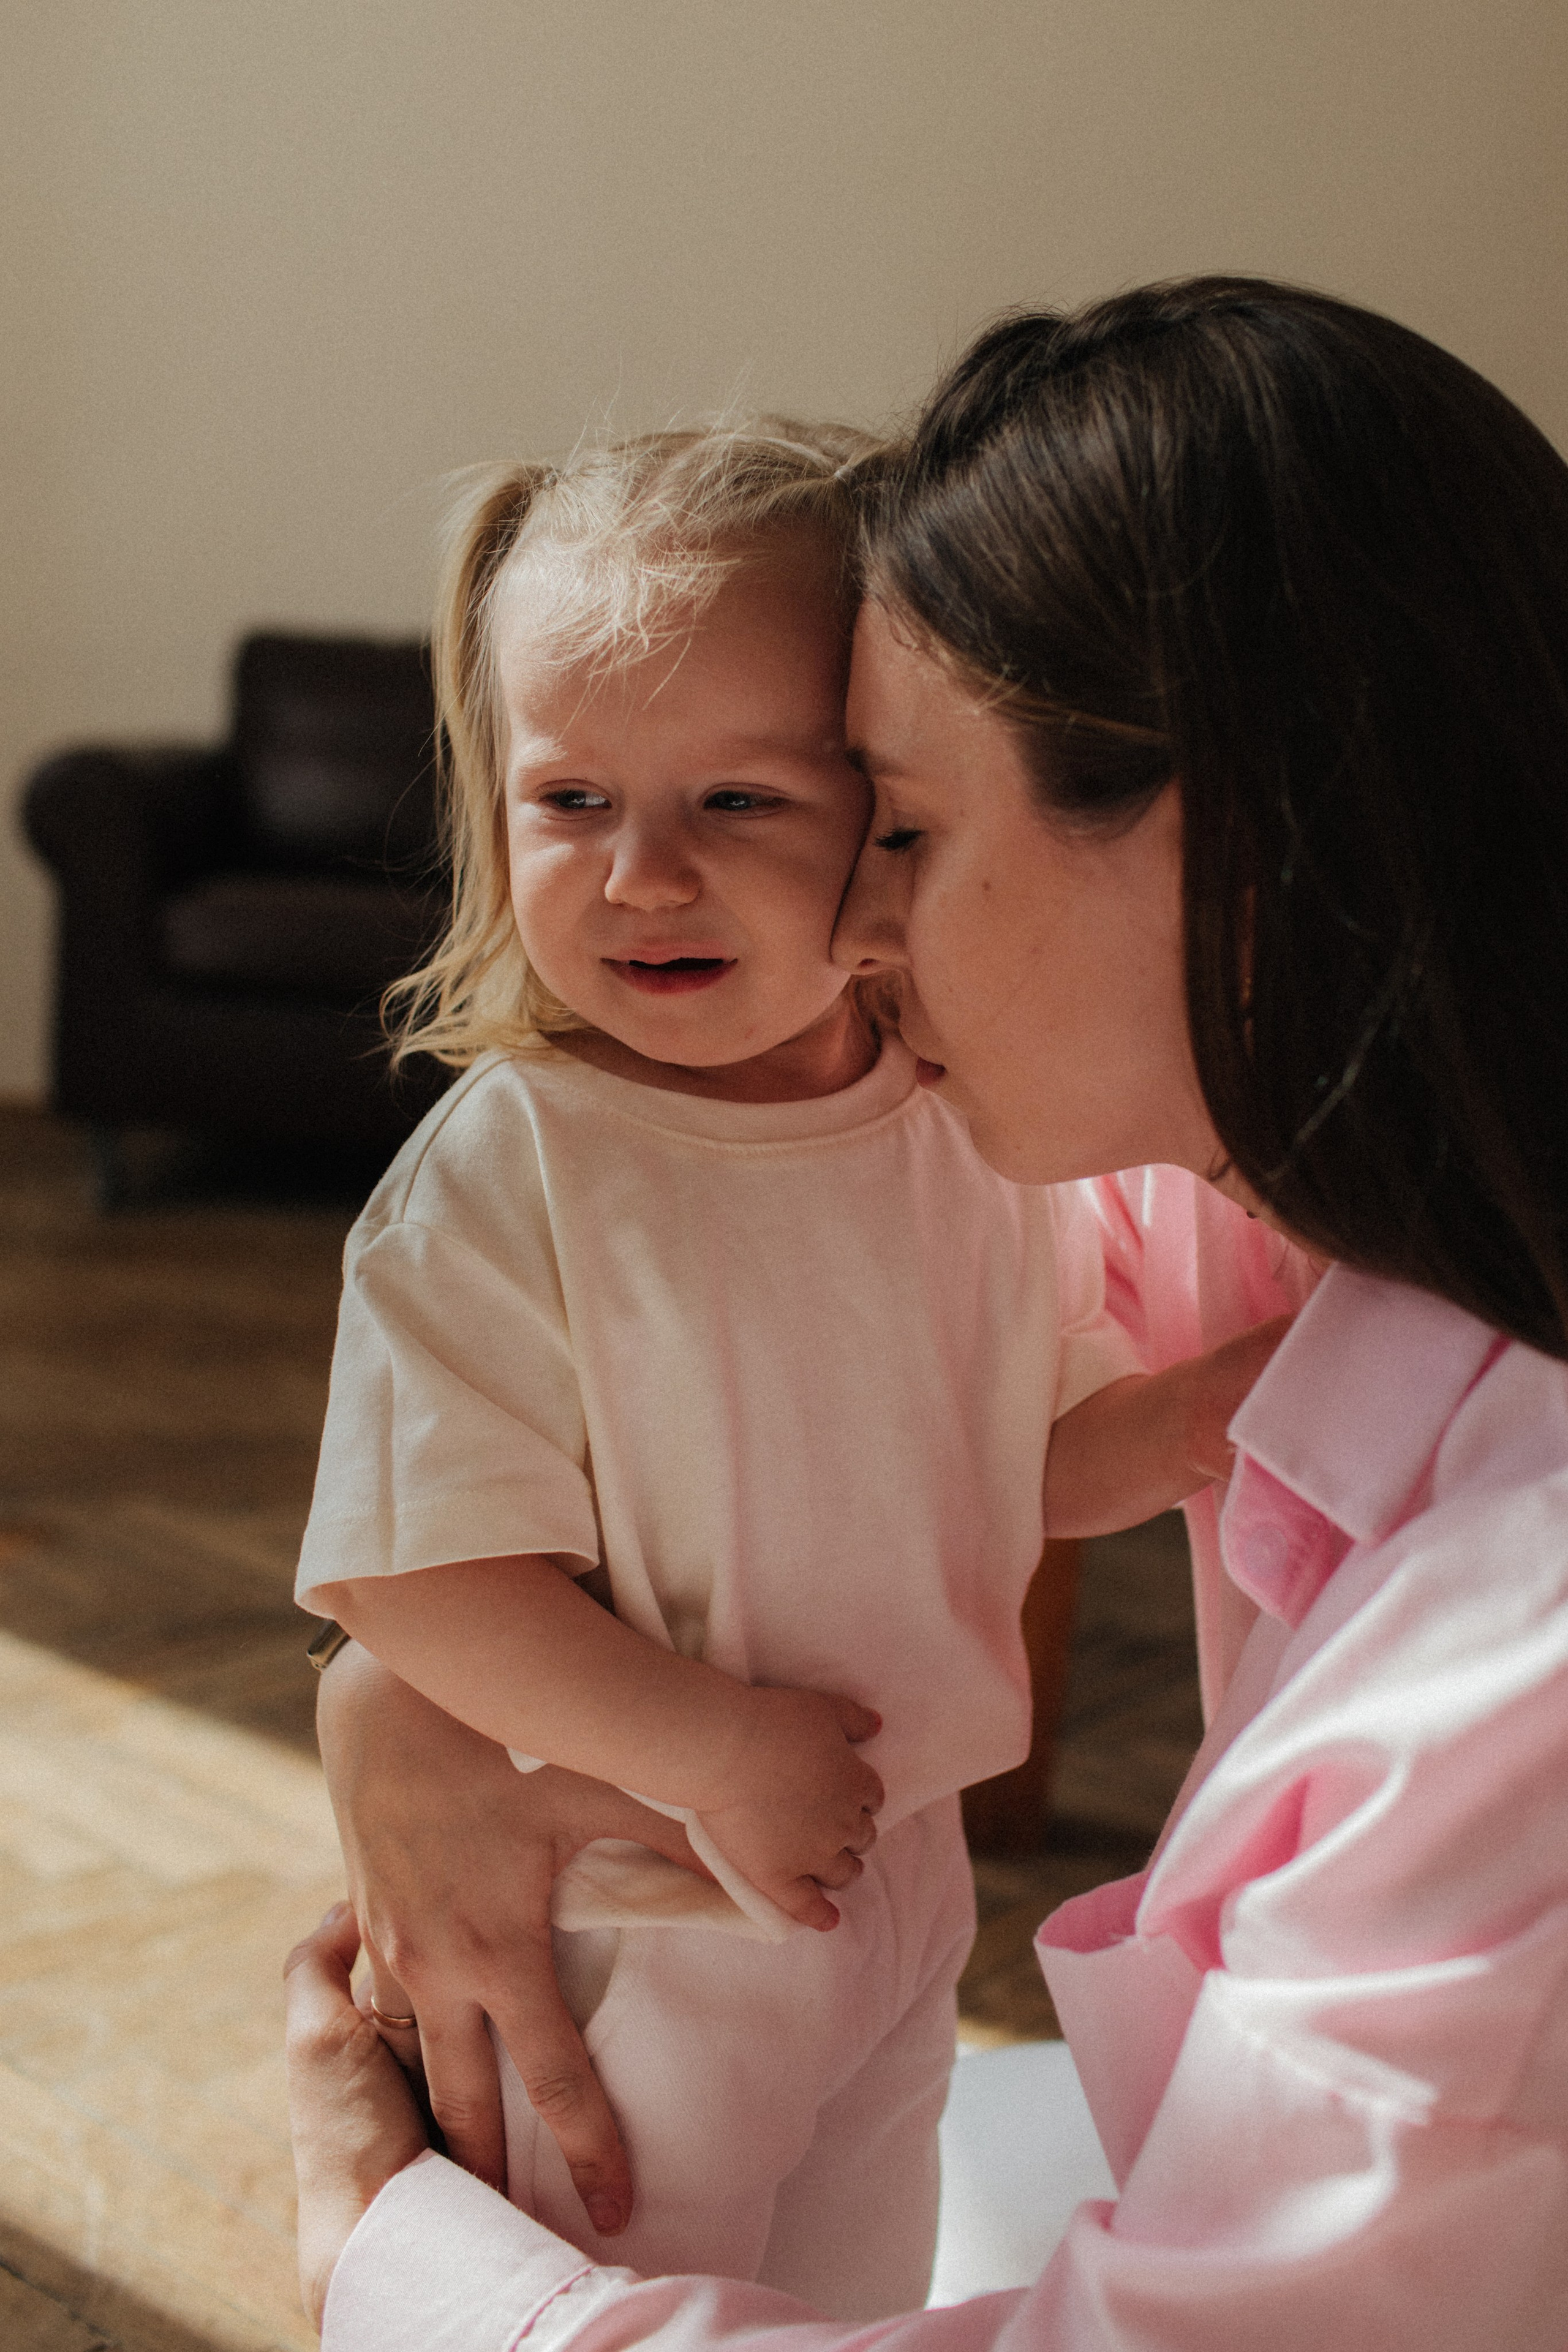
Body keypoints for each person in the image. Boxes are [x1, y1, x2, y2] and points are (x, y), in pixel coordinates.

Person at [287, 273, 1568, 2348]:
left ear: (1234, 848)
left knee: (855, 2226)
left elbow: (980, 1433)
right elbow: (431, 1541)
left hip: (888, 1888)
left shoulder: (1508, 1684)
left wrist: (395, 2261)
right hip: (682, 1888)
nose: (859, 924)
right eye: (570, 804)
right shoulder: (1166, 1164)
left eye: (890, 823)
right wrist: (404, 1697)